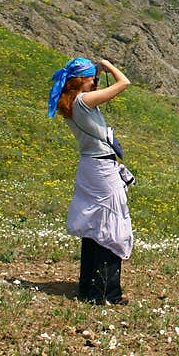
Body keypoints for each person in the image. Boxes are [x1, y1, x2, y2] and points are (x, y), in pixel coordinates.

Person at [48, 56, 133, 305]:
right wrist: (107, 66)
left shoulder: (72, 103)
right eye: (92, 79)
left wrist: (95, 71)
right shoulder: (84, 102)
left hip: (90, 166)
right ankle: (107, 292)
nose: (96, 82)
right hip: (100, 170)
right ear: (81, 80)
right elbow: (124, 83)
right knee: (110, 223)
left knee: (95, 226)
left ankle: (89, 288)